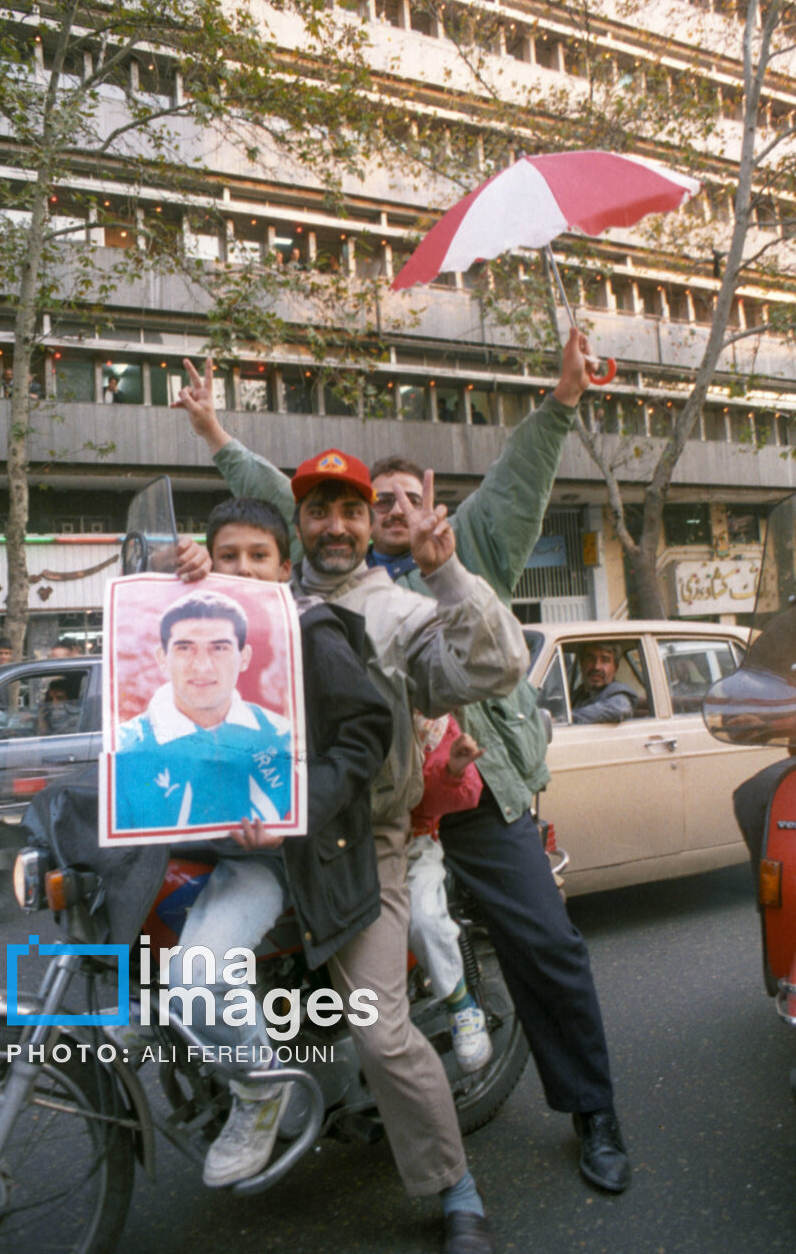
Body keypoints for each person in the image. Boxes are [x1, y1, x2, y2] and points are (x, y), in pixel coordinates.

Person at [173, 328, 632, 1197]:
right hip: (368, 813)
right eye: (364, 500)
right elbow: (269, 509)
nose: (382, 511)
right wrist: (215, 443)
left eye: (400, 499)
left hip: (474, 792)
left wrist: (562, 399)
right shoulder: (302, 589)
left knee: (542, 944)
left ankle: (592, 1110)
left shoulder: (464, 551)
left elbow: (519, 475)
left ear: (430, 506)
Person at [174, 378, 529, 1251]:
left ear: (372, 527)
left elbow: (493, 667)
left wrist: (448, 573)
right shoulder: (242, 598)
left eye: (351, 510)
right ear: (296, 531)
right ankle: (255, 1088)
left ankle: (454, 1187)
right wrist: (172, 577)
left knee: (380, 1028)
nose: (334, 524)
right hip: (250, 846)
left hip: (360, 843)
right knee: (180, 973)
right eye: (318, 511)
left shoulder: (404, 614)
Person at [159, 495, 394, 1190]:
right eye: (224, 554)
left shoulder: (309, 628)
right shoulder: (189, 624)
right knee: (167, 985)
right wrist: (170, 570)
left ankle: (260, 1090)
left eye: (257, 556)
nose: (240, 568)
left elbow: (364, 735)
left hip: (285, 855)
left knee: (196, 980)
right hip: (211, 850)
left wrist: (294, 807)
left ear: (284, 567)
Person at [115, 590, 292, 830]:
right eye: (185, 648)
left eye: (219, 648)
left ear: (244, 657)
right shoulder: (123, 748)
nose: (202, 665)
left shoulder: (284, 737)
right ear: (162, 658)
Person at [409, 713, 489, 1072]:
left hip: (413, 844)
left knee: (424, 918)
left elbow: (463, 793)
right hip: (348, 848)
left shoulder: (440, 724)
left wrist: (452, 770)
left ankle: (461, 1005)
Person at [571, 642, 638, 724]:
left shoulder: (619, 694)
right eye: (591, 659)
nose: (596, 667)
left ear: (616, 668)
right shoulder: (578, 694)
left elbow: (619, 709)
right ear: (582, 664)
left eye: (605, 660)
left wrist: (565, 719)